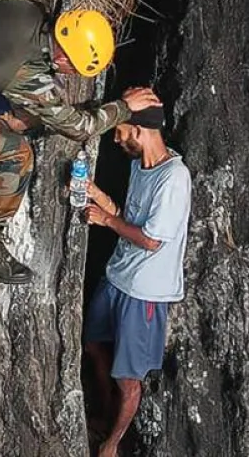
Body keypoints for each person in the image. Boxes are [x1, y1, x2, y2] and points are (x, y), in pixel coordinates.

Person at [0, 0, 162, 284]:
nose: (70, 74)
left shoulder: (30, 9)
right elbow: (79, 127)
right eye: (73, 69)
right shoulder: (27, 74)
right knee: (20, 155)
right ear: (64, 58)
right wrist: (124, 108)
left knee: (27, 118)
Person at [82, 105, 192, 457]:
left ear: (140, 131)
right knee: (93, 346)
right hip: (118, 276)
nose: (116, 139)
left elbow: (151, 240)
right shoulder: (140, 167)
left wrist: (104, 221)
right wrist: (98, 197)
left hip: (145, 292)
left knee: (128, 379)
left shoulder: (173, 178)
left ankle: (112, 444)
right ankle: (101, 413)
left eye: (120, 131)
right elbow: (130, 219)